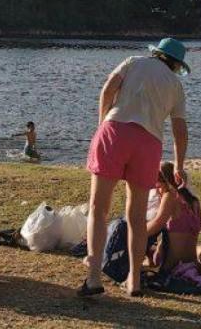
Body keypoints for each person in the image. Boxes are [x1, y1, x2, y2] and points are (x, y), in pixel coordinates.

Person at [81, 38, 191, 297]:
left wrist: (102, 124)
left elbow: (108, 90)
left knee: (99, 208)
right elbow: (180, 130)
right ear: (177, 65)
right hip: (149, 142)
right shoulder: (175, 85)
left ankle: (94, 277)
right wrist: (180, 164)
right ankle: (134, 280)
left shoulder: (133, 62)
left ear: (157, 54)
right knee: (137, 216)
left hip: (115, 130)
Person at [146, 162, 201, 271]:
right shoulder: (193, 200)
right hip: (191, 264)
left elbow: (157, 223)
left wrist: (135, 236)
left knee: (144, 241)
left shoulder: (170, 196)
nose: (157, 189)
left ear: (162, 182)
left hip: (172, 266)